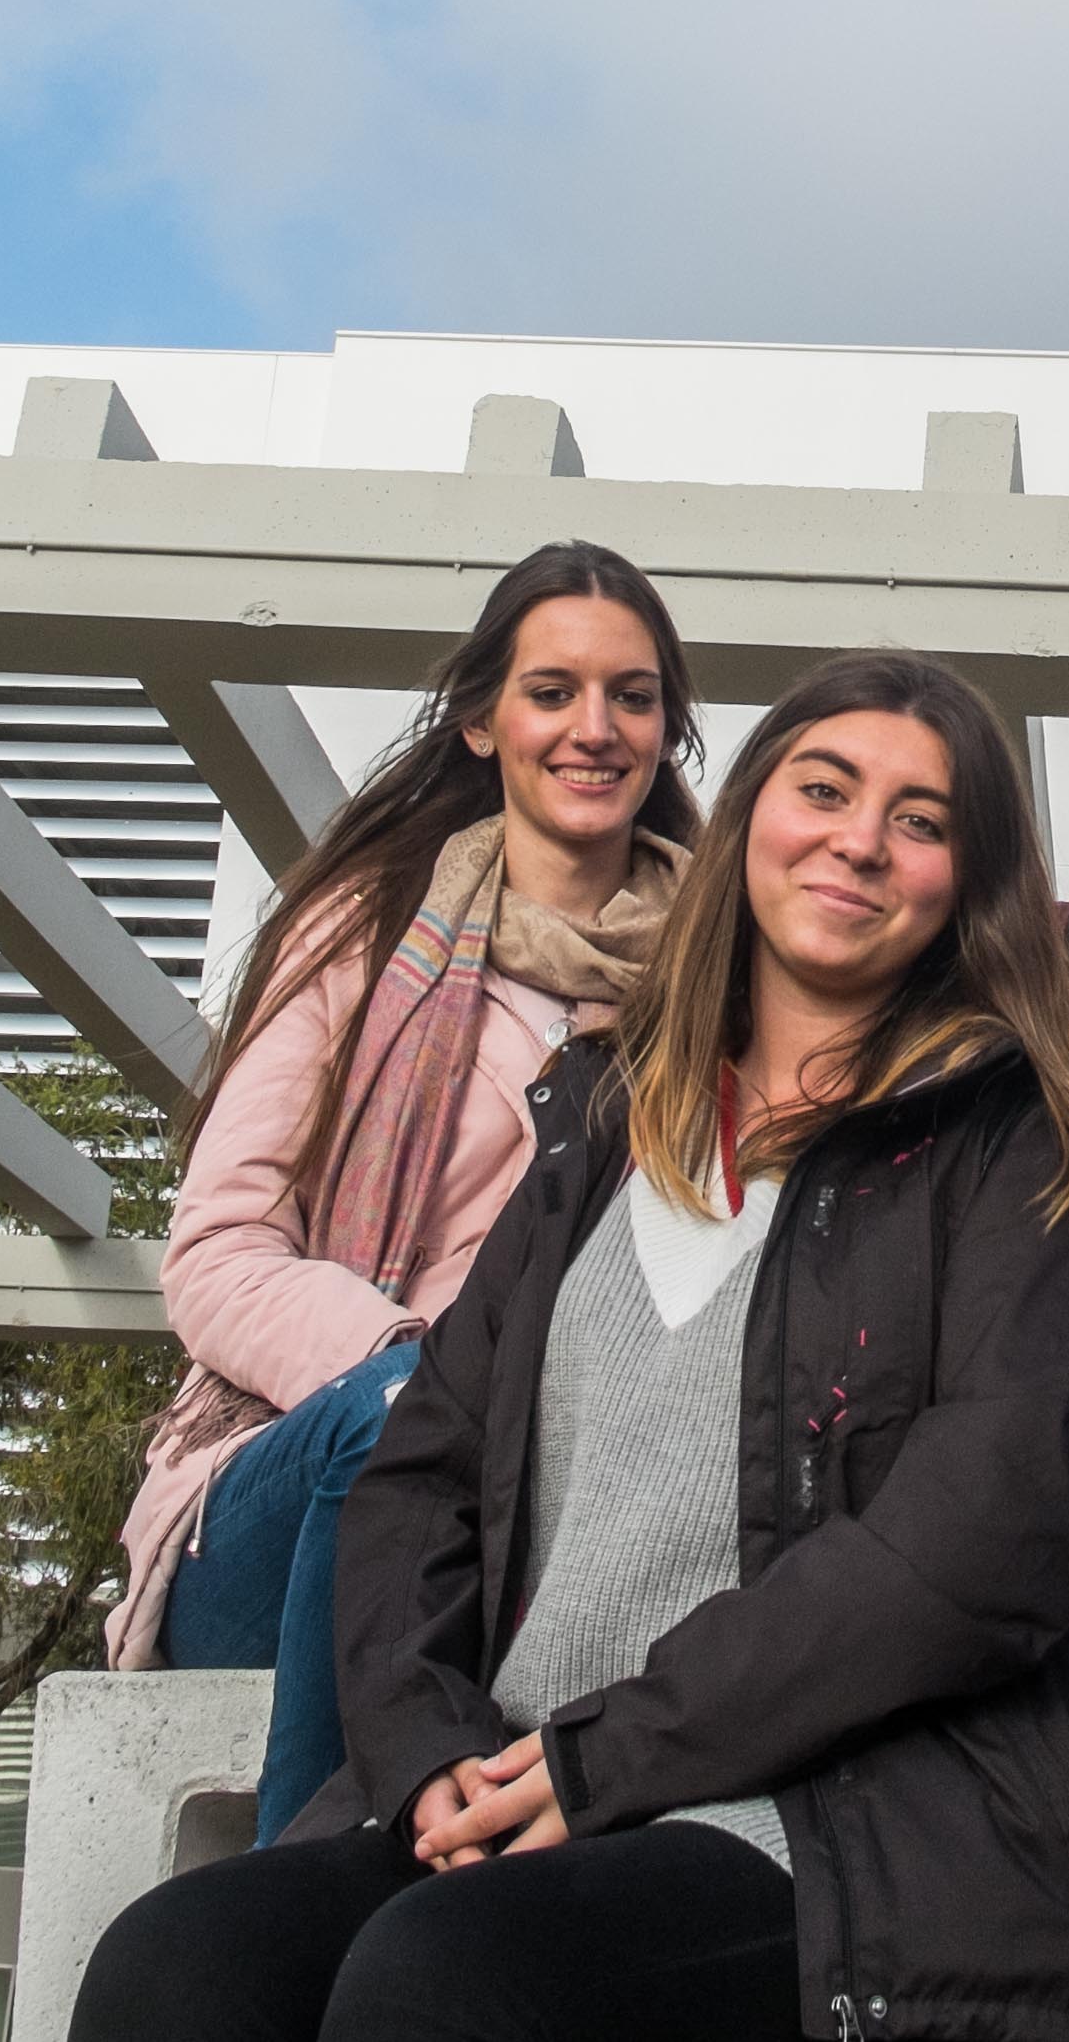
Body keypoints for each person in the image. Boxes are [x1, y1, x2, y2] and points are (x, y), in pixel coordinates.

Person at [70, 652, 1069, 2042]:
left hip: (837, 1824)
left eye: (919, 818)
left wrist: (607, 1757)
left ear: (971, 879)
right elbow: (418, 1476)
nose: (856, 839)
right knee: (181, 1967)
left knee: (453, 1984)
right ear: (749, 818)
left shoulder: (1035, 1156)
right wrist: (424, 1756)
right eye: (821, 789)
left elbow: (981, 1544)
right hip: (530, 1774)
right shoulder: (597, 1131)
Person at [105, 541, 701, 1841]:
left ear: (668, 730)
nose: (592, 728)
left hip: (558, 1517)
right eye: (552, 692)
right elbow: (214, 1252)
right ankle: (308, 1890)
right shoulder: (365, 933)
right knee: (398, 1421)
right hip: (302, 1478)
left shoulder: (714, 995)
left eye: (632, 695)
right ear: (484, 719)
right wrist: (435, 1374)